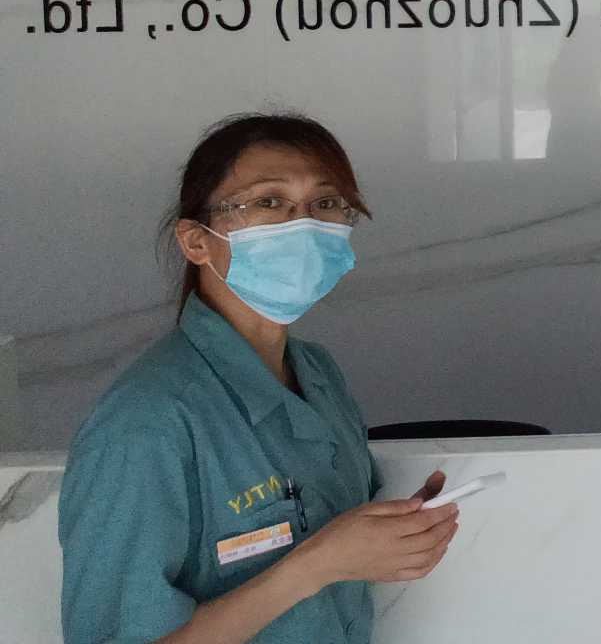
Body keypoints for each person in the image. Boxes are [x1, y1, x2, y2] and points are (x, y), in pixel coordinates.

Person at [59, 113, 460, 643]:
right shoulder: (146, 422)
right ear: (196, 242)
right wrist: (317, 564)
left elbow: (331, 520)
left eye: (325, 203)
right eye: (270, 201)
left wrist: (400, 528)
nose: (303, 225)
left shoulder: (318, 374)